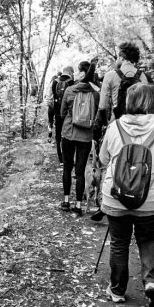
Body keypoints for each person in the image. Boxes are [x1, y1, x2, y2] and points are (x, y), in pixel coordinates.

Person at [98, 83, 154, 307]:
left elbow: (104, 159)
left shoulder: (114, 128)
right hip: (150, 199)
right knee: (148, 238)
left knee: (119, 242)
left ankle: (117, 289)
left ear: (128, 102)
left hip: (116, 196)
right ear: (152, 102)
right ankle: (151, 282)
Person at [90, 42, 151, 220]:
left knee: (111, 163)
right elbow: (149, 107)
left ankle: (107, 202)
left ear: (123, 57)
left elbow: (102, 108)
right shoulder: (144, 78)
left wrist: (96, 133)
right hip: (141, 128)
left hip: (116, 126)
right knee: (136, 160)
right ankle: (136, 194)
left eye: (118, 56)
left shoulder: (110, 76)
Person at [58, 61, 97, 214]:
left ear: (82, 74)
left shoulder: (69, 90)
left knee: (67, 168)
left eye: (77, 71)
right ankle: (79, 206)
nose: (74, 74)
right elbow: (99, 115)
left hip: (68, 132)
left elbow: (61, 113)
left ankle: (66, 201)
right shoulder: (95, 93)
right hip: (85, 136)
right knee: (80, 172)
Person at [47, 65, 74, 163]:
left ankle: (60, 157)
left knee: (58, 135)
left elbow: (52, 96)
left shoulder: (55, 82)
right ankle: (68, 157)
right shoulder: (71, 82)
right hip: (68, 114)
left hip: (57, 112)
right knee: (68, 135)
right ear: (70, 72)